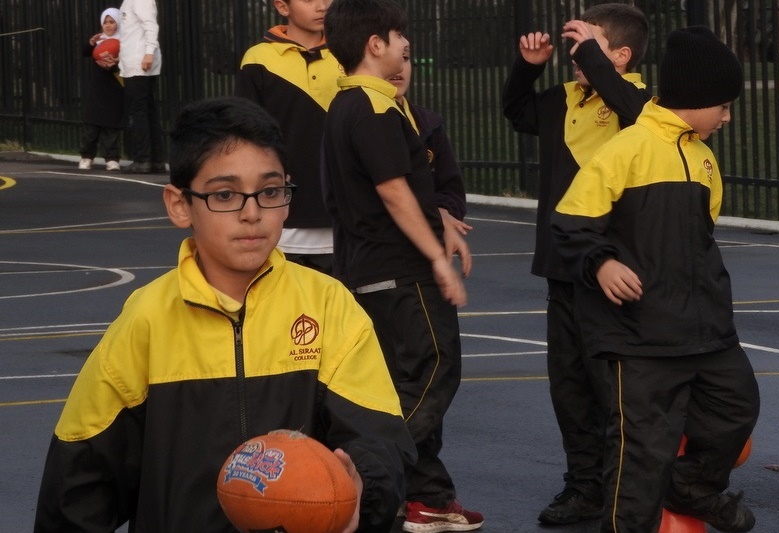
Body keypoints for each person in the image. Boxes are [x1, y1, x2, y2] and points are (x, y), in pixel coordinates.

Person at [33, 95, 417, 533]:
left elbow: (380, 439)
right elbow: (79, 482)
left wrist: (360, 489)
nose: (252, 213)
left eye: (270, 191)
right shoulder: (146, 321)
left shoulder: (329, 306)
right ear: (180, 204)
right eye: (225, 195)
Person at [551, 26, 760, 533]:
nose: (727, 117)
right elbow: (570, 225)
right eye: (724, 106)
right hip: (638, 334)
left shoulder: (704, 158)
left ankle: (691, 487)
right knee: (640, 452)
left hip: (704, 328)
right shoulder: (626, 149)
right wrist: (602, 262)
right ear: (695, 99)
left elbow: (701, 238)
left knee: (737, 406)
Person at [321, 1, 481, 532]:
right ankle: (354, 474)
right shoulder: (374, 108)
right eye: (399, 42)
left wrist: (441, 221)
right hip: (399, 271)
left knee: (402, 386)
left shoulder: (347, 106)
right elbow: (391, 191)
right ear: (375, 44)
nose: (404, 52)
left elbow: (391, 187)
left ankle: (427, 495)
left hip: (370, 271)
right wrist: (436, 257)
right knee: (436, 371)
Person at [501, 3, 650, 525]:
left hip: (611, 270)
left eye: (591, 43)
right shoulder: (565, 99)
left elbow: (631, 110)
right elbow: (516, 110)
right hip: (563, 267)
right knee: (569, 386)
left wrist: (591, 51)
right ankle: (583, 484)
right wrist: (529, 65)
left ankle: (622, 484)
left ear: (622, 55)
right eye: (577, 45)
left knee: (613, 386)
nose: (577, 54)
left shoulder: (641, 101)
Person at [235, 0, 342, 274]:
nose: (322, 6)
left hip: (342, 220)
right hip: (281, 222)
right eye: (308, 0)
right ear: (282, 7)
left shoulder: (348, 54)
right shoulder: (258, 59)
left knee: (339, 312)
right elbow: (246, 136)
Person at [388, 47, 473, 253]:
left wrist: (443, 212)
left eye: (406, 59)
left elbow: (451, 188)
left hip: (425, 253)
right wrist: (431, 213)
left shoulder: (430, 124)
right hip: (384, 253)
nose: (399, 67)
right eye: (392, 58)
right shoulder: (361, 119)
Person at [118, 0, 166, 174]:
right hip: (134, 61)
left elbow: (150, 26)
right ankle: (156, 159)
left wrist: (148, 52)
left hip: (139, 62)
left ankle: (143, 159)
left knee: (138, 111)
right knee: (148, 110)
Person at [78, 7, 125, 172]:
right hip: (96, 89)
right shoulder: (99, 41)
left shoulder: (123, 43)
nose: (108, 25)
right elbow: (84, 52)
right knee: (91, 126)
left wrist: (113, 65)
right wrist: (91, 43)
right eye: (105, 22)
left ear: (118, 23)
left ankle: (111, 159)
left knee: (111, 127)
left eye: (112, 22)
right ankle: (86, 157)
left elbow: (122, 67)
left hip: (114, 90)